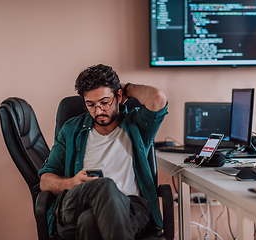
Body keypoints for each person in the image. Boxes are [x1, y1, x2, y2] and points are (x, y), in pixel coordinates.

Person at [38, 64, 168, 240]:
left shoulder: (137, 126)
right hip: (77, 203)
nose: (98, 111)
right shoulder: (71, 130)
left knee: (89, 221)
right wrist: (72, 183)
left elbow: (158, 98)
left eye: (105, 102)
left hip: (130, 208)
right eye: (90, 105)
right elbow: (45, 181)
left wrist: (127, 89)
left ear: (118, 96)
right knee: (105, 186)